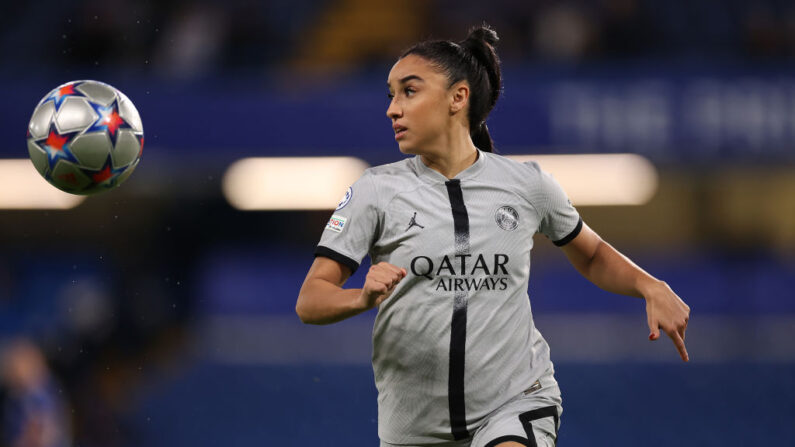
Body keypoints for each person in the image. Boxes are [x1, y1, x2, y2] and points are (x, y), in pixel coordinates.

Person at [296, 25, 690, 447]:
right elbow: (311, 299)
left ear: (457, 97)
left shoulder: (526, 185)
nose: (393, 109)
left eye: (409, 91)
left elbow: (591, 255)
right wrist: (362, 297)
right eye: (390, 95)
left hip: (514, 402)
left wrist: (650, 285)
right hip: (412, 428)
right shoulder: (374, 191)